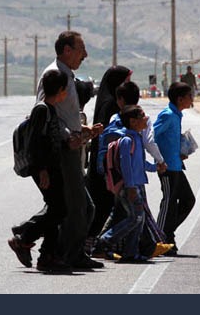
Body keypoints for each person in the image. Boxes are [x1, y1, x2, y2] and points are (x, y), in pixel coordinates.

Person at [34, 31, 104, 269]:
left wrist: (83, 130)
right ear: (66, 50)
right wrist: (67, 137)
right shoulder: (53, 75)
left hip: (73, 147)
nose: (85, 55)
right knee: (75, 207)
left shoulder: (67, 74)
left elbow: (64, 116)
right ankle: (62, 254)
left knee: (81, 206)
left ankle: (67, 252)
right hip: (62, 150)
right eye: (80, 49)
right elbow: (45, 112)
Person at [8, 70, 70, 272]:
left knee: (56, 209)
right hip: (44, 168)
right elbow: (35, 142)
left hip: (52, 167)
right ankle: (24, 237)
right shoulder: (42, 110)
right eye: (65, 90)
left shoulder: (50, 109)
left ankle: (46, 256)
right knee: (59, 208)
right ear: (60, 90)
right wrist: (42, 170)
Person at [95, 105, 157, 263]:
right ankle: (104, 241)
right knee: (136, 218)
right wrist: (130, 186)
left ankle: (130, 253)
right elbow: (125, 165)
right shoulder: (127, 140)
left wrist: (157, 167)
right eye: (142, 116)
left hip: (135, 185)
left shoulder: (136, 138)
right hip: (128, 186)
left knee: (138, 218)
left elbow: (140, 163)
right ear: (133, 121)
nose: (146, 119)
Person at [85, 65, 132, 249]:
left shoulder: (110, 100)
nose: (127, 85)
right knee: (102, 204)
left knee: (107, 204)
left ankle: (99, 243)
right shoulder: (110, 104)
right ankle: (92, 245)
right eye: (125, 81)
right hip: (105, 162)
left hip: (107, 161)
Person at [153, 82, 196, 256]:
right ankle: (161, 239)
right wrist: (159, 159)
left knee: (188, 200)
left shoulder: (177, 115)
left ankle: (165, 232)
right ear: (180, 99)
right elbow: (151, 136)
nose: (192, 99)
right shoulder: (168, 115)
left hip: (177, 166)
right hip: (167, 167)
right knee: (169, 203)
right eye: (189, 96)